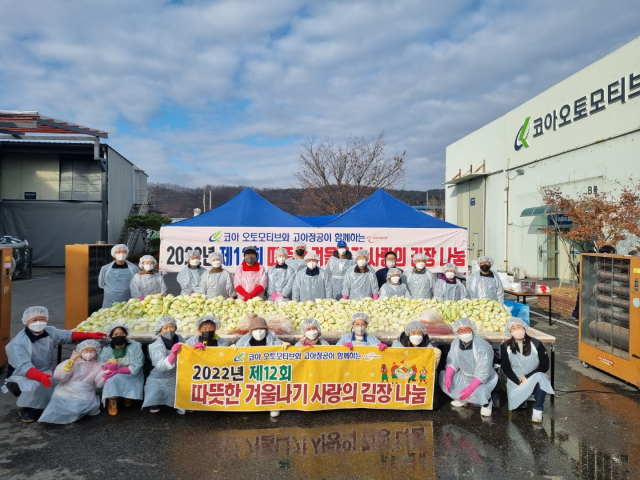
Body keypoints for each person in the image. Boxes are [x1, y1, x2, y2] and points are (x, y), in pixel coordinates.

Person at [4, 306, 106, 422]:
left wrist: (89, 335)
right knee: (37, 384)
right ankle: (27, 408)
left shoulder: (49, 332)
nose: (39, 322)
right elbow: (23, 367)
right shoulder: (18, 343)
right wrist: (39, 376)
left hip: (44, 371)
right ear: (27, 321)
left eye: (42, 319)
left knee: (57, 383)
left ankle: (48, 402)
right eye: (34, 320)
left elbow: (67, 335)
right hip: (22, 375)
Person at [439, 318, 498, 417]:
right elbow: (452, 361)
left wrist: (471, 388)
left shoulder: (482, 346)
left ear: (472, 329)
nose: (464, 333)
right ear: (457, 332)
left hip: (483, 379)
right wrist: (448, 376)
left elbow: (483, 371)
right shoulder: (455, 343)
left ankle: (487, 403)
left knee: (482, 391)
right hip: (464, 375)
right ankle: (463, 399)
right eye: (461, 331)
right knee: (443, 376)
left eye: (467, 330)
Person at [234, 314, 289, 418]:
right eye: (256, 329)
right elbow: (235, 356)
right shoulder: (244, 342)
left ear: (266, 330)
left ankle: (273, 406)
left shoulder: (271, 339)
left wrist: (286, 347)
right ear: (251, 331)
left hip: (268, 371)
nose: (259, 332)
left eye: (262, 329)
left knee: (270, 387)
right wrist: (232, 351)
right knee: (250, 387)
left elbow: (283, 349)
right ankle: (249, 404)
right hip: (251, 371)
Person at [38, 340, 105, 424]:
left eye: (92, 350)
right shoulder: (71, 362)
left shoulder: (98, 366)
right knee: (61, 397)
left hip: (85, 391)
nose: (89, 353)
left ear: (97, 352)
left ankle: (73, 412)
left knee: (81, 405)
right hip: (66, 388)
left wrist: (106, 372)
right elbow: (59, 378)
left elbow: (99, 383)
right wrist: (67, 368)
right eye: (86, 350)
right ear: (80, 351)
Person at [501, 317, 554, 423]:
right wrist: (518, 381)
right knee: (518, 406)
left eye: (519, 327)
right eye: (513, 328)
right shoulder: (505, 345)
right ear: (510, 331)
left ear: (524, 328)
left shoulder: (536, 344)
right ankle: (522, 400)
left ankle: (538, 409)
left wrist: (527, 377)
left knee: (542, 379)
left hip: (533, 377)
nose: (517, 330)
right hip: (516, 379)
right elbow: (506, 367)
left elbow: (544, 365)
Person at [99, 322, 145, 416]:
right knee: (112, 380)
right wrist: (107, 367)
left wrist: (118, 370)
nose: (119, 336)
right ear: (111, 336)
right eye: (115, 334)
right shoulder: (107, 350)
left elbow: (136, 367)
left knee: (120, 377)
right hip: (113, 375)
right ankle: (112, 400)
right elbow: (101, 364)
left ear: (126, 335)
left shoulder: (135, 346)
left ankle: (127, 396)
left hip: (132, 375)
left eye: (121, 334)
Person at [142, 317, 187, 414]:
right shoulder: (155, 346)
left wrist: (195, 347)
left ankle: (180, 402)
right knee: (155, 387)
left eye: (171, 327)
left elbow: (189, 349)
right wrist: (172, 355)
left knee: (184, 390)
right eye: (165, 328)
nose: (169, 330)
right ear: (160, 331)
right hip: (159, 376)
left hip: (177, 374)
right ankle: (156, 402)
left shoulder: (180, 339)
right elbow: (161, 367)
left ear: (175, 328)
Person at [98, 244, 140, 308]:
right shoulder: (105, 269)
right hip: (110, 301)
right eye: (118, 252)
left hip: (128, 300)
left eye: (124, 252)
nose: (121, 254)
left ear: (127, 254)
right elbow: (101, 284)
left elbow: (139, 283)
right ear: (114, 254)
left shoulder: (134, 268)